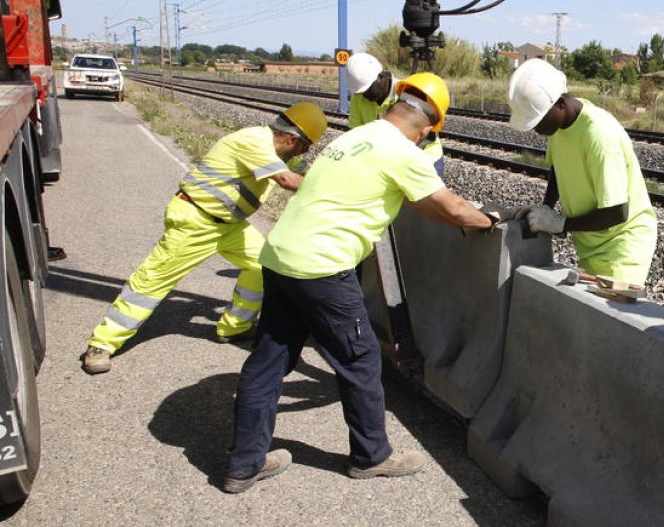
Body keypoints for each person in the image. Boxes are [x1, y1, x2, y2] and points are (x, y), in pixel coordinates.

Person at [223, 72, 503, 493]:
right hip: (322, 266)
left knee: (269, 360)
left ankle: (244, 463)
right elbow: (453, 208)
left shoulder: (354, 137)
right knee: (360, 360)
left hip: (280, 256)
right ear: (427, 128)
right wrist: (489, 221)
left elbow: (419, 203)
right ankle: (372, 457)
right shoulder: (402, 152)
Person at [80, 102, 328, 375]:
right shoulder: (254, 142)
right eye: (305, 147)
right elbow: (287, 180)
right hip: (196, 219)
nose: (303, 153)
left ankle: (234, 327)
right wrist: (332, 192)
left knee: (262, 263)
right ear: (291, 139)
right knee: (151, 282)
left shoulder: (280, 151)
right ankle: (101, 344)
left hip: (230, 226)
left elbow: (304, 170)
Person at [506, 58, 657, 287]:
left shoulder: (599, 134)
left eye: (538, 121)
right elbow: (558, 167)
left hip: (622, 246)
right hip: (592, 240)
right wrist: (546, 208)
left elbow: (617, 212)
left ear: (560, 104)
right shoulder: (560, 126)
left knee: (608, 306)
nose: (536, 129)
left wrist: (560, 224)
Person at [347, 52, 445, 176]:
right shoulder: (359, 98)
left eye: (369, 89)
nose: (366, 95)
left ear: (382, 77)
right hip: (386, 162)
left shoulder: (408, 93)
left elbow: (424, 138)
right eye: (362, 91)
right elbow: (356, 133)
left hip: (423, 159)